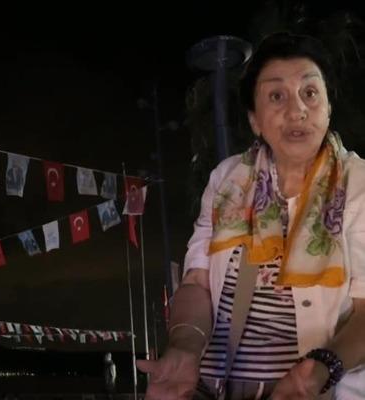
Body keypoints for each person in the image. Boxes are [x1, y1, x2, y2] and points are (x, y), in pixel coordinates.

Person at [138, 32, 365, 399]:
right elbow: (197, 283)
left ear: (327, 108)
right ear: (255, 120)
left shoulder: (358, 184)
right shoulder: (228, 180)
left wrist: (322, 368)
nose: (297, 110)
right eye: (276, 96)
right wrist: (184, 346)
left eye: (310, 93)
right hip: (215, 387)